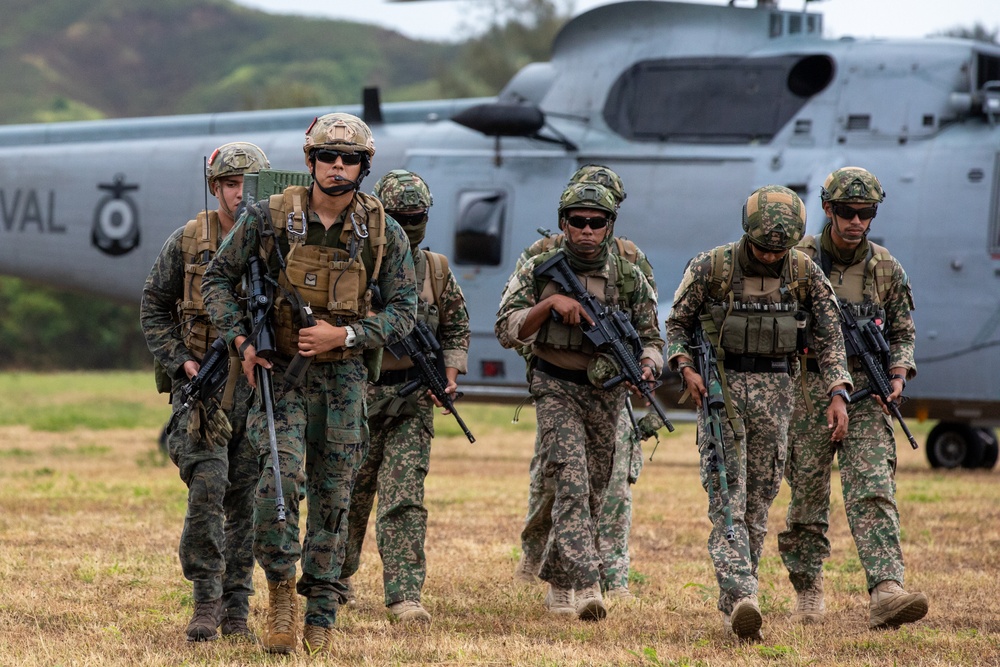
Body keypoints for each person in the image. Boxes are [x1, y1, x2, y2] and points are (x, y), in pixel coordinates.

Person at [202, 113, 417, 655]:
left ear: (364, 167)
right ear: (310, 162)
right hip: (280, 376)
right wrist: (242, 344)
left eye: (348, 159)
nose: (336, 167)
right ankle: (280, 590)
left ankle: (321, 607)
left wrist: (343, 335)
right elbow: (217, 282)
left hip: (344, 379)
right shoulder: (269, 218)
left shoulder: (383, 230)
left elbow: (404, 314)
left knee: (334, 494)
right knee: (279, 478)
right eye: (327, 157)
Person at [664, 185, 852, 641]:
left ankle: (735, 604)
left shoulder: (804, 271)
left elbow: (830, 337)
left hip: (778, 394)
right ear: (747, 233)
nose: (771, 257)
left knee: (759, 502)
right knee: (728, 500)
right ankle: (745, 593)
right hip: (722, 391)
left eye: (779, 249)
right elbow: (675, 325)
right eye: (764, 248)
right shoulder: (712, 267)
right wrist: (685, 366)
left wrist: (838, 391)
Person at [496, 182, 663, 621]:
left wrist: (646, 366)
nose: (586, 231)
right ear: (563, 223)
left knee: (593, 490)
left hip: (603, 396)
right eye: (577, 222)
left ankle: (558, 580)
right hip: (556, 386)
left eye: (597, 222)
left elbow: (652, 337)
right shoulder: (538, 268)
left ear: (609, 226)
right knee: (569, 480)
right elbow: (507, 327)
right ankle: (587, 584)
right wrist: (550, 303)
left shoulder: (629, 276)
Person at [778, 167, 928, 629]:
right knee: (806, 495)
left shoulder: (886, 267)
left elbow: (902, 329)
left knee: (873, 489)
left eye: (865, 213)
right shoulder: (796, 259)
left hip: (868, 390)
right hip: (808, 387)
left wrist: (899, 373)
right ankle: (808, 589)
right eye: (846, 212)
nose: (855, 221)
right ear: (828, 209)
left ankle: (886, 589)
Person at [139, 141, 269, 642]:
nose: (239, 194)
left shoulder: (277, 241)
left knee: (249, 503)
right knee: (207, 492)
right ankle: (205, 600)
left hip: (258, 394)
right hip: (204, 395)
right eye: (230, 184)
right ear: (215, 187)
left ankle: (238, 610)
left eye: (248, 185)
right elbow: (154, 305)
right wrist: (181, 361)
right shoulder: (190, 239)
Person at [338, 169, 470, 624]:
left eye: (417, 218)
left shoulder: (435, 269)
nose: (409, 226)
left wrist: (449, 372)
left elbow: (455, 325)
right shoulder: (352, 264)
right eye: (399, 217)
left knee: (404, 498)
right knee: (350, 494)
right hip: (359, 394)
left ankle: (403, 594)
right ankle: (336, 579)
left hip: (413, 397)